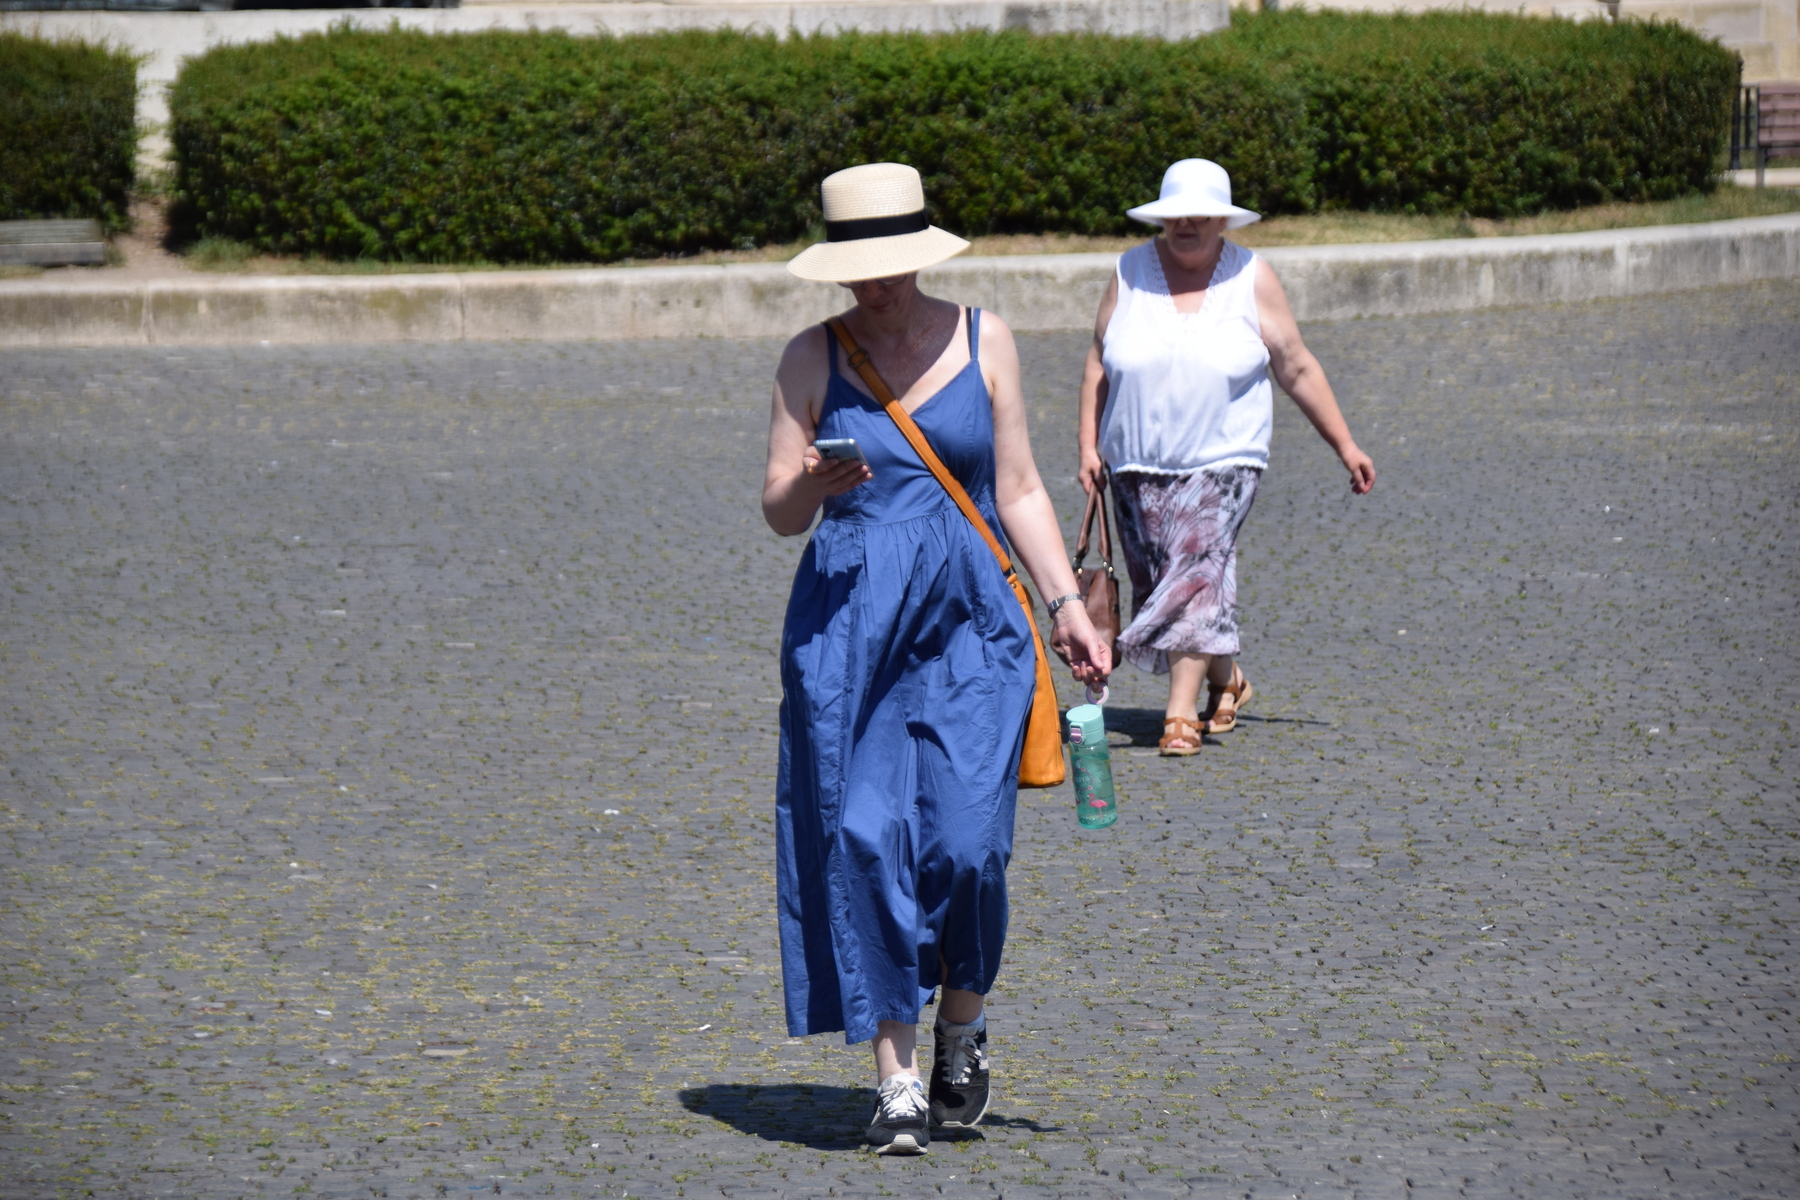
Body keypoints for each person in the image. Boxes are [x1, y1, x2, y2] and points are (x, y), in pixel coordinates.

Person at [764, 163, 1111, 1155]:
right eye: (858, 267)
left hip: (972, 624)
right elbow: (778, 508)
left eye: (891, 263)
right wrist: (814, 483)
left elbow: (1020, 488)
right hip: (850, 630)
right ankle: (898, 1078)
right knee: (866, 839)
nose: (875, 283)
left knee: (969, 848)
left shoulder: (983, 338)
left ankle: (964, 1016)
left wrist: (1065, 608)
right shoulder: (811, 355)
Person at [1076, 159, 1375, 756]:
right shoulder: (1129, 271)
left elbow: (1295, 364)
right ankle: (1226, 677)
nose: (1185, 224)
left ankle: (1179, 716)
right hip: (1136, 461)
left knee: (1194, 572)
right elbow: (1097, 361)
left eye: (1200, 215)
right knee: (1164, 586)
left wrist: (1345, 445)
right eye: (1175, 215)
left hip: (1225, 459)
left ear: (1222, 221)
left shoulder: (1251, 276)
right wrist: (1087, 444)